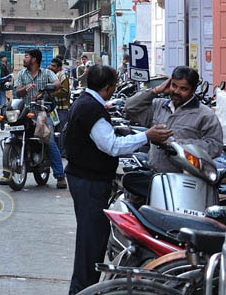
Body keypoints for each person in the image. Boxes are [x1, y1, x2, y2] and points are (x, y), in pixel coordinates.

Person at [65, 64, 172, 294]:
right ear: (107, 88)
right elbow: (112, 146)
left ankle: (84, 287)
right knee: (91, 239)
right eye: (113, 86)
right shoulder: (91, 109)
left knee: (90, 237)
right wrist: (147, 135)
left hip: (84, 178)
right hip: (89, 181)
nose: (114, 89)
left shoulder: (88, 102)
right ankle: (83, 289)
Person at [124, 65, 223, 174]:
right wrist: (156, 90)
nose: (176, 91)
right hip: (156, 175)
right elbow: (129, 107)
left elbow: (215, 146)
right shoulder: (159, 105)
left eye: (183, 89)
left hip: (185, 180)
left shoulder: (205, 115)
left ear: (193, 90)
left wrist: (176, 144)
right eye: (174, 85)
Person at [12, 49, 66, 189]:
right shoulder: (22, 74)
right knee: (14, 136)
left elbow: (57, 84)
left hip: (42, 113)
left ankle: (60, 176)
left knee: (49, 141)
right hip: (25, 113)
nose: (24, 59)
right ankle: (8, 174)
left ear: (34, 59)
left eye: (27, 57)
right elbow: (17, 91)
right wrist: (25, 89)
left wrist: (44, 91)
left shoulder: (47, 73)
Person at [48, 56, 71, 132]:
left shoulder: (62, 76)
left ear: (59, 67)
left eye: (54, 66)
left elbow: (64, 91)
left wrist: (52, 94)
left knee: (61, 131)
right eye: (51, 65)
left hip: (62, 109)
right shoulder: (53, 76)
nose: (51, 67)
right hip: (54, 108)